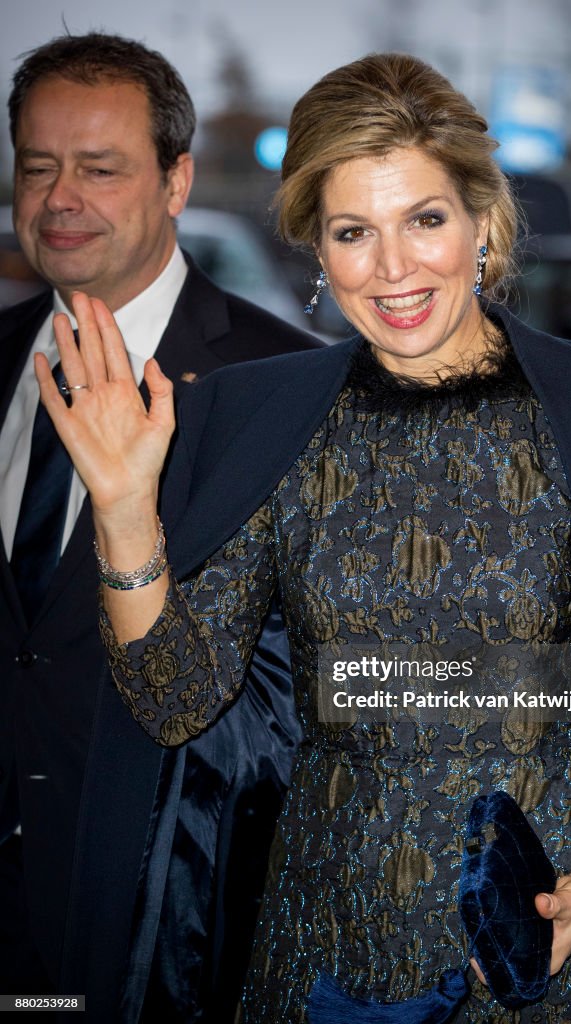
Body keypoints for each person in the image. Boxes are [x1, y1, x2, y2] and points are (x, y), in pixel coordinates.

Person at [38, 54, 571, 1023]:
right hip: (319, 965)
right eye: (353, 232)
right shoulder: (268, 424)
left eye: (425, 220)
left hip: (553, 965)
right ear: (316, 253)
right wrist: (120, 505)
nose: (393, 268)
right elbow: (176, 698)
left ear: (482, 224)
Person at [0, 31, 317, 1022]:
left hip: (162, 936)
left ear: (176, 182)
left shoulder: (287, 389)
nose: (61, 198)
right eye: (39, 166)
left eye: (100, 169)